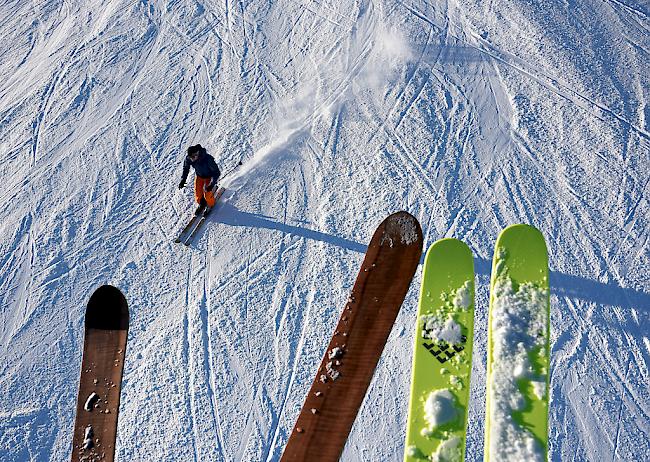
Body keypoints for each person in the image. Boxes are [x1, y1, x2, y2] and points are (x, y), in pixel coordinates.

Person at [178, 144, 221, 216]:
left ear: (197, 153)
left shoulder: (208, 159)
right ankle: (202, 203)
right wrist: (183, 180)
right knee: (198, 193)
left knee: (207, 193)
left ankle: (210, 205)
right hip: (200, 176)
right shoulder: (189, 158)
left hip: (209, 176)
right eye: (190, 157)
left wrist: (211, 184)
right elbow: (186, 168)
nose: (192, 159)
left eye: (193, 156)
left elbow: (216, 173)